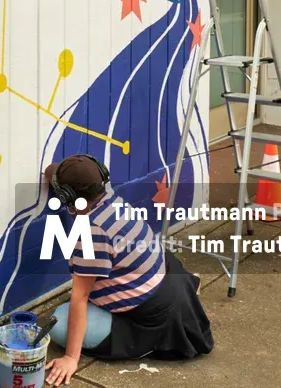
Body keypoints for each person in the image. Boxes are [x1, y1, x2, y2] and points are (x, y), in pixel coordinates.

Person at [42, 155, 213, 385]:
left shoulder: (91, 232)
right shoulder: (112, 199)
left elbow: (80, 296)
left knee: (58, 321)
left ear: (67, 198)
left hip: (150, 318)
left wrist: (71, 358)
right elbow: (50, 171)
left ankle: (146, 343)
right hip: (167, 284)